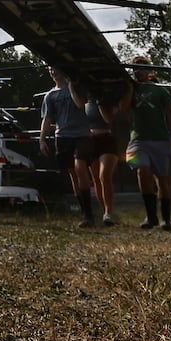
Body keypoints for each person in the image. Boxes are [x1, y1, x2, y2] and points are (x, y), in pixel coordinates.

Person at [126, 55, 171, 230]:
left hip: (160, 140)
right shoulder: (130, 89)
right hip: (138, 140)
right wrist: (129, 89)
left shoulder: (159, 90)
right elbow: (122, 109)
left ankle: (166, 219)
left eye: (143, 66)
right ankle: (151, 217)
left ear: (149, 69)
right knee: (142, 170)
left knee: (163, 180)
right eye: (135, 67)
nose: (139, 70)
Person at [38, 65, 94, 228]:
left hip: (81, 134)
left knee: (80, 167)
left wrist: (71, 86)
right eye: (50, 69)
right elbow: (47, 119)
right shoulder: (50, 95)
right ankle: (86, 214)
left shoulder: (76, 87)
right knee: (73, 176)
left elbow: (80, 105)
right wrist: (42, 139)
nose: (52, 71)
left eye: (55, 68)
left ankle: (89, 212)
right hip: (63, 137)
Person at [70, 78, 130, 226]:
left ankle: (108, 212)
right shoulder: (87, 102)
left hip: (107, 140)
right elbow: (78, 104)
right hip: (91, 140)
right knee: (96, 178)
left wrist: (100, 100)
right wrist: (71, 85)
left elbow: (108, 119)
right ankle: (106, 213)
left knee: (105, 175)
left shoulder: (107, 101)